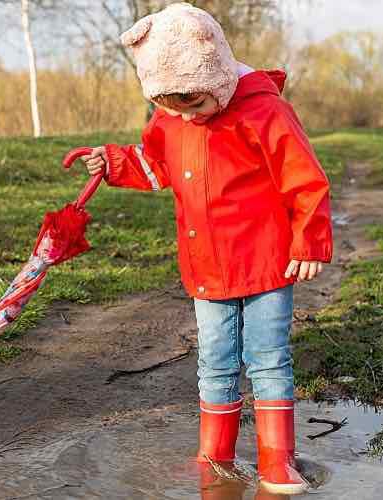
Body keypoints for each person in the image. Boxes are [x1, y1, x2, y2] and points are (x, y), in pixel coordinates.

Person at [78, 3, 332, 495]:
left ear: (215, 76)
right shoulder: (170, 119)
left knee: (268, 358)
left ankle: (277, 460)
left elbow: (305, 181)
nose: (184, 116)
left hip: (266, 264)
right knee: (214, 361)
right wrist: (111, 162)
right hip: (207, 269)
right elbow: (156, 165)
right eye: (171, 105)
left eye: (194, 103)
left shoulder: (265, 111)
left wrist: (310, 242)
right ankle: (215, 454)